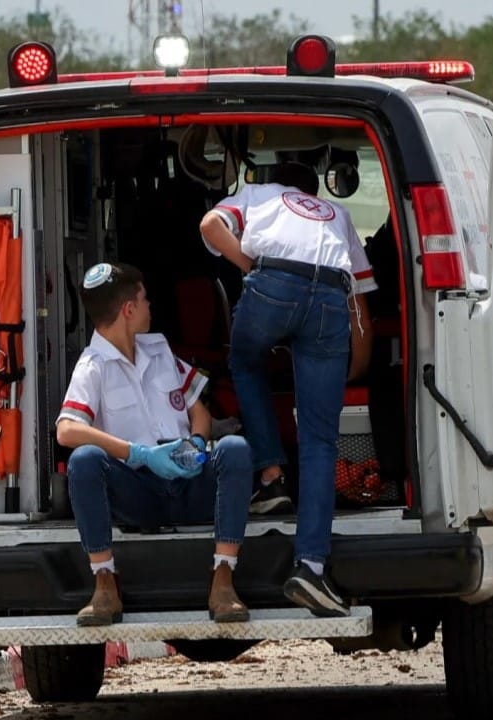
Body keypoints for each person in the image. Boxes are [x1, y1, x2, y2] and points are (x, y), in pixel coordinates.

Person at [199, 161, 376, 617]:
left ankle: (271, 477)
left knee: (244, 362)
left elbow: (210, 225)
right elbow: (358, 299)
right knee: (319, 439)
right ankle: (311, 567)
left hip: (272, 285)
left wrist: (253, 268)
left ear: (272, 181)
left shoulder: (258, 196)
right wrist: (358, 364)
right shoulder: (338, 214)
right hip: (331, 299)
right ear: (314, 190)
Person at [55, 262, 254, 626]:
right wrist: (138, 453)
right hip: (140, 491)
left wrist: (196, 443)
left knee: (235, 450)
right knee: (84, 460)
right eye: (145, 299)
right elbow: (66, 430)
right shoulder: (92, 365)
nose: (150, 306)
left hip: (188, 482)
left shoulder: (159, 349)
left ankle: (223, 578)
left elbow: (199, 412)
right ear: (129, 309)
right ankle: (104, 583)